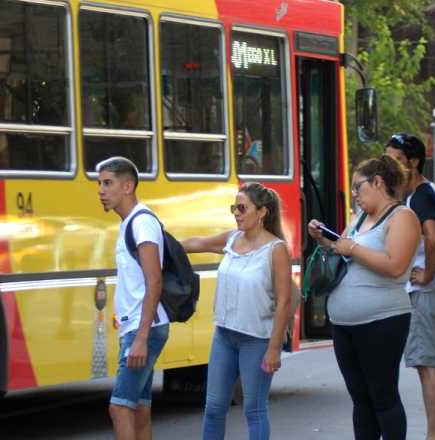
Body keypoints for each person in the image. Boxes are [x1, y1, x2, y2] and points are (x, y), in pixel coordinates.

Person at [308, 155, 421, 440]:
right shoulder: (360, 219)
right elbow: (344, 250)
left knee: (383, 396)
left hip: (382, 321)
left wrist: (353, 249)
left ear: (378, 182)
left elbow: (395, 266)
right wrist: (325, 239)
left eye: (358, 187)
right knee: (361, 399)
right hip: (345, 324)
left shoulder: (402, 217)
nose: (355, 194)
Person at [181, 182, 293, 440]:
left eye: (242, 208)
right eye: (234, 208)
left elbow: (284, 301)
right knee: (213, 408)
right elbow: (198, 243)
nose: (237, 213)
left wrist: (274, 348)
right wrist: (161, 244)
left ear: (261, 212)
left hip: (257, 340)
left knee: (254, 410)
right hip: (224, 335)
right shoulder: (232, 239)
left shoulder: (276, 249)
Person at [386, 133, 435, 440]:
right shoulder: (427, 192)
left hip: (429, 292)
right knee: (428, 365)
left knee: (427, 366)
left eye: (396, 160)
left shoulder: (420, 196)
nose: (390, 166)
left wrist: (428, 273)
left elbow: (433, 236)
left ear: (413, 162)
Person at [96, 156, 171, 440]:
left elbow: (154, 281)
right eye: (100, 184)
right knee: (139, 409)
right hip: (140, 327)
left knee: (119, 408)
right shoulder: (131, 222)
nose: (101, 191)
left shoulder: (141, 223)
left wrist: (140, 338)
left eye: (108, 183)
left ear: (127, 186)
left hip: (144, 329)